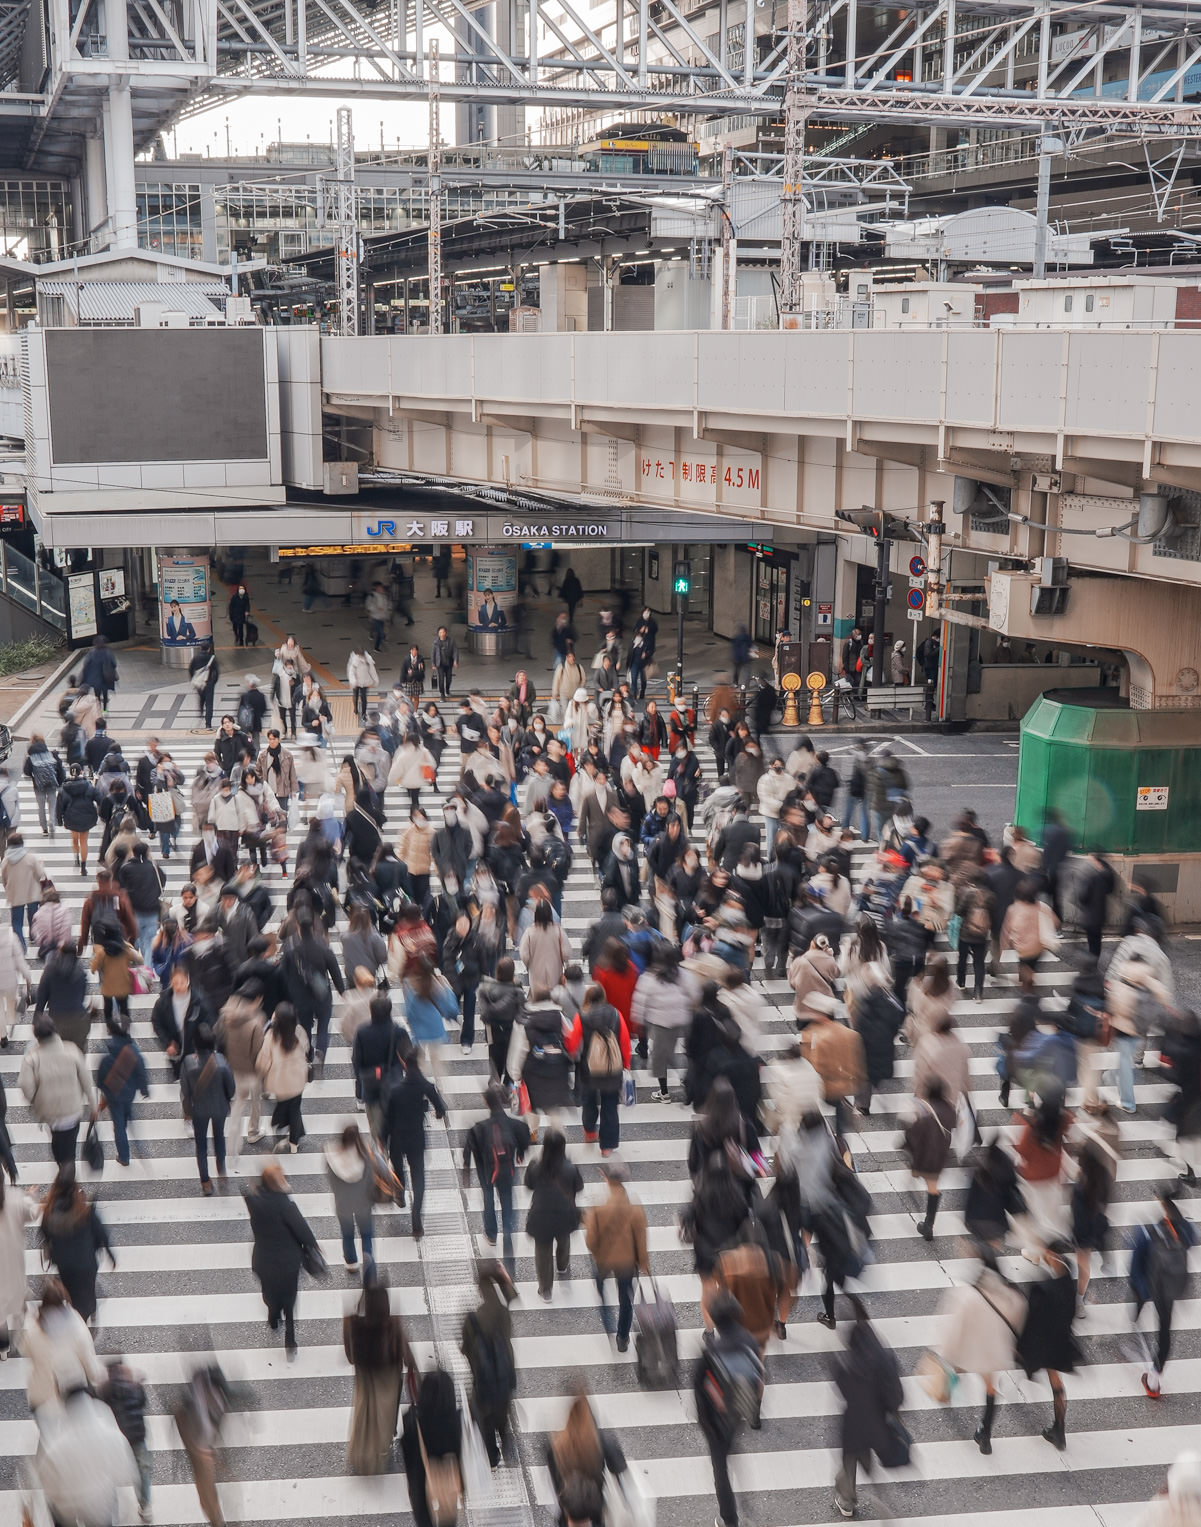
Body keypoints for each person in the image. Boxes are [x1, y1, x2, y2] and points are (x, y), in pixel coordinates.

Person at [935, 1243, 1027, 1455]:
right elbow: (1017, 1318)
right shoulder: (1011, 1295)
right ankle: (985, 1434)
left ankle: (947, 1393)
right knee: (990, 1388)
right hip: (993, 1350)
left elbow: (956, 1328)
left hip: (970, 1347)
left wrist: (947, 1352)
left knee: (956, 1369)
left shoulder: (969, 1296)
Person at [831, 1296, 906, 1519]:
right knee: (875, 1463)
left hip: (854, 1423)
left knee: (850, 1461)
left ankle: (847, 1500)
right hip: (880, 1420)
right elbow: (897, 1393)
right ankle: (882, 1500)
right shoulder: (884, 1355)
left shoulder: (848, 1364)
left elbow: (843, 1390)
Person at [693, 1290, 764, 1527]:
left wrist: (704, 1422)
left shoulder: (711, 1352)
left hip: (716, 1421)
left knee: (720, 1470)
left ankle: (729, 1520)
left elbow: (698, 1388)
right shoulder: (749, 1341)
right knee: (731, 1450)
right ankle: (747, 1508)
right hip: (739, 1411)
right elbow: (759, 1377)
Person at [243, 1161, 320, 1359]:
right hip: (288, 1262)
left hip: (263, 1260)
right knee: (290, 1298)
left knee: (269, 1293)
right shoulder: (286, 1206)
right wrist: (314, 1248)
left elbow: (248, 1191)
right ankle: (290, 1338)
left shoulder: (254, 1202)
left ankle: (273, 1316)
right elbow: (304, 1233)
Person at [36, 1385, 140, 1527]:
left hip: (68, 1506)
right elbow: (124, 1472)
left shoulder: (57, 1445)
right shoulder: (111, 1436)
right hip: (100, 1503)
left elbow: (47, 1481)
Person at [1131, 1189, 1197, 1399]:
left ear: (1160, 1203)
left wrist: (1139, 1286)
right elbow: (1193, 1240)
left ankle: (1135, 1318)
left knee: (1140, 1299)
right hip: (1169, 1289)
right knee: (1165, 1333)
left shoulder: (1149, 1230)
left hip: (1151, 1284)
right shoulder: (1185, 1229)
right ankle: (1153, 1381)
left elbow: (1136, 1263)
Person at [1016, 1238, 1080, 1450]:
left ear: (1053, 1255)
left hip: (1047, 1340)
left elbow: (1032, 1318)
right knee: (1057, 1384)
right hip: (1061, 1340)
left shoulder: (1045, 1287)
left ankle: (1059, 1431)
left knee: (1051, 1377)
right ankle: (1059, 1428)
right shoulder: (1069, 1279)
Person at [381, 1039, 448, 1241]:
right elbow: (441, 1108)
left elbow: (386, 1119)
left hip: (397, 1138)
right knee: (419, 1179)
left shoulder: (395, 1090)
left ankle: (400, 1193)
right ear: (420, 1063)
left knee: (398, 1168)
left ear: (403, 1064)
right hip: (416, 1139)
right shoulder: (426, 1085)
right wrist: (432, 1111)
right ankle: (416, 1222)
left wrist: (382, 1141)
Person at [344, 1274, 411, 1474]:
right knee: (384, 1412)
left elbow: (350, 1356)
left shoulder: (353, 1324)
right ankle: (381, 1449)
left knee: (364, 1410)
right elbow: (406, 1354)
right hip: (388, 1375)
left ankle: (360, 1451)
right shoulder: (392, 1325)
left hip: (364, 1374)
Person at [463, 1085, 531, 1278]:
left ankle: (491, 1233)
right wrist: (520, 1153)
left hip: (487, 1170)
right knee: (508, 1204)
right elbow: (525, 1134)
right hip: (506, 1171)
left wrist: (468, 1169)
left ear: (486, 1103)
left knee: (488, 1196)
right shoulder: (514, 1125)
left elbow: (470, 1146)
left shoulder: (480, 1128)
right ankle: (508, 1245)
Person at [583, 1157, 648, 1353]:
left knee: (600, 1285)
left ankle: (607, 1319)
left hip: (604, 1259)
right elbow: (641, 1240)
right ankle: (622, 1337)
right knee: (626, 1299)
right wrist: (644, 1264)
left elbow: (590, 1241)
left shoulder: (599, 1208)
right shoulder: (635, 1209)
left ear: (605, 1178)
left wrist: (597, 1253)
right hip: (628, 1263)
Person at [40, 1164, 114, 1325]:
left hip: (65, 1264)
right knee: (88, 1290)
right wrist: (109, 1254)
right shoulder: (84, 1210)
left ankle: (78, 1320)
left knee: (72, 1294)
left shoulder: (50, 1212)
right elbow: (101, 1233)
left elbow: (44, 1234)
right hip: (86, 1261)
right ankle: (88, 1314)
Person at [20, 1013, 98, 1166]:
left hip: (51, 1113)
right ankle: (68, 1178)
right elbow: (87, 1082)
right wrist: (93, 1105)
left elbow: (25, 1085)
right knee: (70, 1150)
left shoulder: (33, 1058)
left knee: (58, 1146)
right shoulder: (71, 1050)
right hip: (72, 1110)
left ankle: (65, 1176)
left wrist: (37, 1101)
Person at [461, 1262, 518, 1469]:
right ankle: (508, 1445)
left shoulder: (473, 1319)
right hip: (505, 1373)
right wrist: (502, 1275)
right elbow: (513, 1295)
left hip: (483, 1377)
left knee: (485, 1418)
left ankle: (492, 1458)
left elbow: (465, 1348)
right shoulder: (503, 1312)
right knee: (503, 1413)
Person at [525, 1126, 583, 1301]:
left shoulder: (536, 1166)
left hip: (541, 1215)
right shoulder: (570, 1167)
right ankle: (562, 1265)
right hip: (565, 1213)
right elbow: (579, 1187)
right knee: (564, 1239)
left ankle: (546, 1289)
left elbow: (529, 1184)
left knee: (542, 1250)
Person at [400, 1369, 463, 1527]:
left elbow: (406, 1451)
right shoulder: (457, 1421)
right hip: (448, 1475)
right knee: (448, 1513)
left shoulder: (412, 1420)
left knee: (422, 1515)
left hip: (420, 1476)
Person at [173, 1364, 233, 1527]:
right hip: (199, 1449)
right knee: (206, 1490)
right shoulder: (195, 1403)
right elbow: (181, 1418)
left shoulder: (217, 1400)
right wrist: (201, 1451)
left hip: (203, 1447)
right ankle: (216, 1521)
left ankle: (216, 1519)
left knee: (208, 1489)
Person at [181, 1022, 236, 1196]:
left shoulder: (189, 1063)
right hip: (219, 1107)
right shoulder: (221, 1062)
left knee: (201, 1145)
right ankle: (221, 1170)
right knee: (219, 1137)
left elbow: (185, 1090)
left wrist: (188, 1109)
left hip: (199, 1109)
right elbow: (232, 1088)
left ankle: (205, 1182)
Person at [902, 1075, 957, 1241]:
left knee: (914, 1179)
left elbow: (913, 1134)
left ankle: (927, 1224)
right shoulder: (950, 1109)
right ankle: (928, 1224)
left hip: (925, 1157)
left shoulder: (926, 1114)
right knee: (933, 1186)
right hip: (940, 1155)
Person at [99, 1358, 151, 1522]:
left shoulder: (105, 1388)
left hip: (117, 1439)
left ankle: (112, 1510)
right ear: (122, 1366)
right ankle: (145, 1506)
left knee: (110, 1475)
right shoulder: (133, 1385)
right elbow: (143, 1402)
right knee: (143, 1470)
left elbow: (100, 1409)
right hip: (137, 1436)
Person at [95, 1014, 149, 1168]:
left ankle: (124, 1156)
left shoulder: (107, 1053)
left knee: (118, 1125)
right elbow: (141, 1070)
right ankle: (139, 1147)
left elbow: (101, 1078)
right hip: (130, 1092)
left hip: (113, 1096)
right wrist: (144, 1089)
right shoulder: (133, 1051)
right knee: (127, 1116)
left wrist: (103, 1093)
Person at [257, 1001, 310, 1153]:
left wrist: (260, 1074)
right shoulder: (298, 1032)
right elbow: (306, 1048)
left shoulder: (271, 1037)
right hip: (298, 1079)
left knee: (283, 1106)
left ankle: (279, 1126)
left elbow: (264, 1060)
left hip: (280, 1082)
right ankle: (294, 1142)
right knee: (295, 1108)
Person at [1, 831, 46, 949]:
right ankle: (33, 935)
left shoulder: (5, 861)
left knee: (16, 922)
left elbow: (4, 879)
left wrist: (8, 889)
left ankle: (21, 945)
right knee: (33, 917)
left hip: (15, 894)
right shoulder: (30, 858)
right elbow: (40, 874)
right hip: (32, 892)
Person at [188, 640, 220, 730]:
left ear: (200, 648)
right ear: (209, 649)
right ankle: (208, 723)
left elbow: (190, 669)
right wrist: (214, 681)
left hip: (199, 683)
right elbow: (216, 672)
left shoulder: (195, 658)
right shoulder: (212, 658)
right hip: (209, 682)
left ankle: (201, 712)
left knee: (201, 698)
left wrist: (193, 679)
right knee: (209, 703)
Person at [431, 625, 459, 699]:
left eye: (443, 632)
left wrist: (455, 660)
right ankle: (442, 693)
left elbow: (455, 651)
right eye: (440, 632)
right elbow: (433, 653)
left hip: (449, 663)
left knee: (449, 679)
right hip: (440, 664)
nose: (442, 634)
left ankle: (447, 689)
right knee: (441, 679)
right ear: (438, 634)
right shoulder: (436, 642)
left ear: (446, 633)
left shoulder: (451, 641)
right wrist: (433, 664)